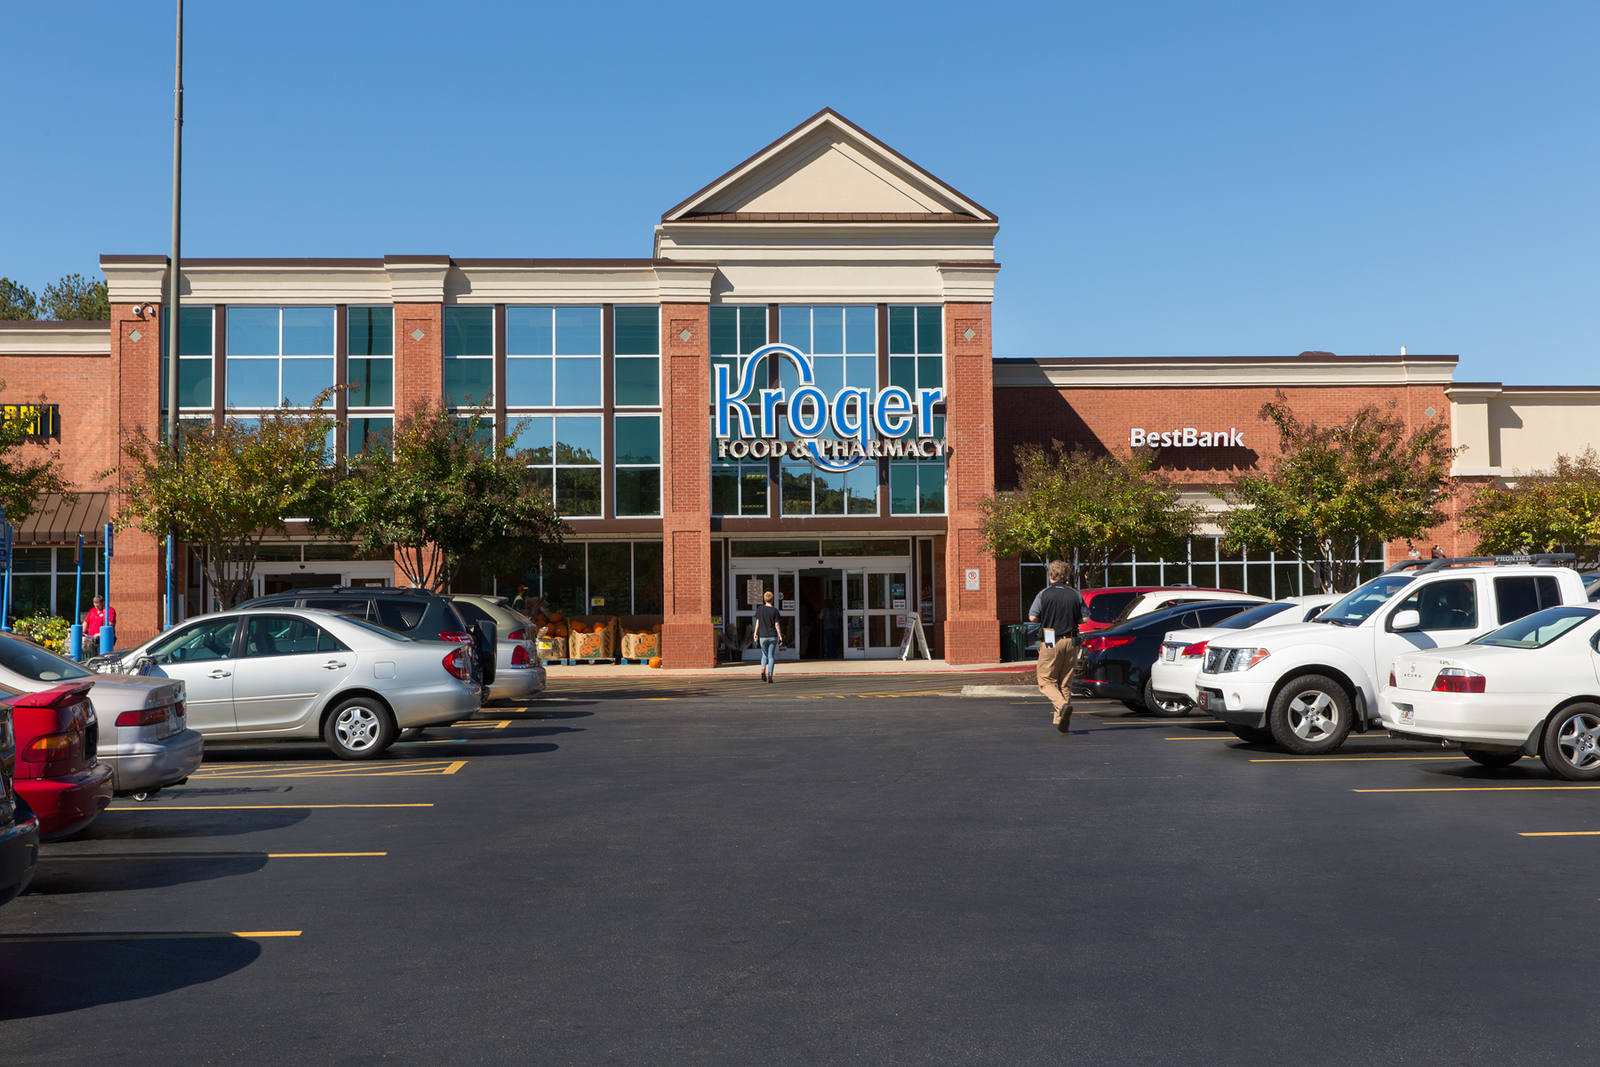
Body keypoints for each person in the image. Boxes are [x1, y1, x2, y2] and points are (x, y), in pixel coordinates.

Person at [1028, 560, 1085, 734]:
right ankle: (1061, 721)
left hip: (1051, 639)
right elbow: (1085, 619)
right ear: (1066, 576)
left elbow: (1032, 617)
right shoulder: (1075, 595)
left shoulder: (1044, 594)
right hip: (1071, 641)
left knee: (1045, 681)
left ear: (1050, 575)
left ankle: (1061, 706)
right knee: (1065, 682)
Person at [754, 589, 783, 684]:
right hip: (772, 636)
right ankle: (770, 675)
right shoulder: (775, 610)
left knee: (764, 655)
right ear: (772, 599)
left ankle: (763, 669)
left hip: (763, 636)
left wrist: (755, 633)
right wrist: (780, 636)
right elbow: (777, 625)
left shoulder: (760, 609)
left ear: (764, 599)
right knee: (771, 656)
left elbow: (757, 622)